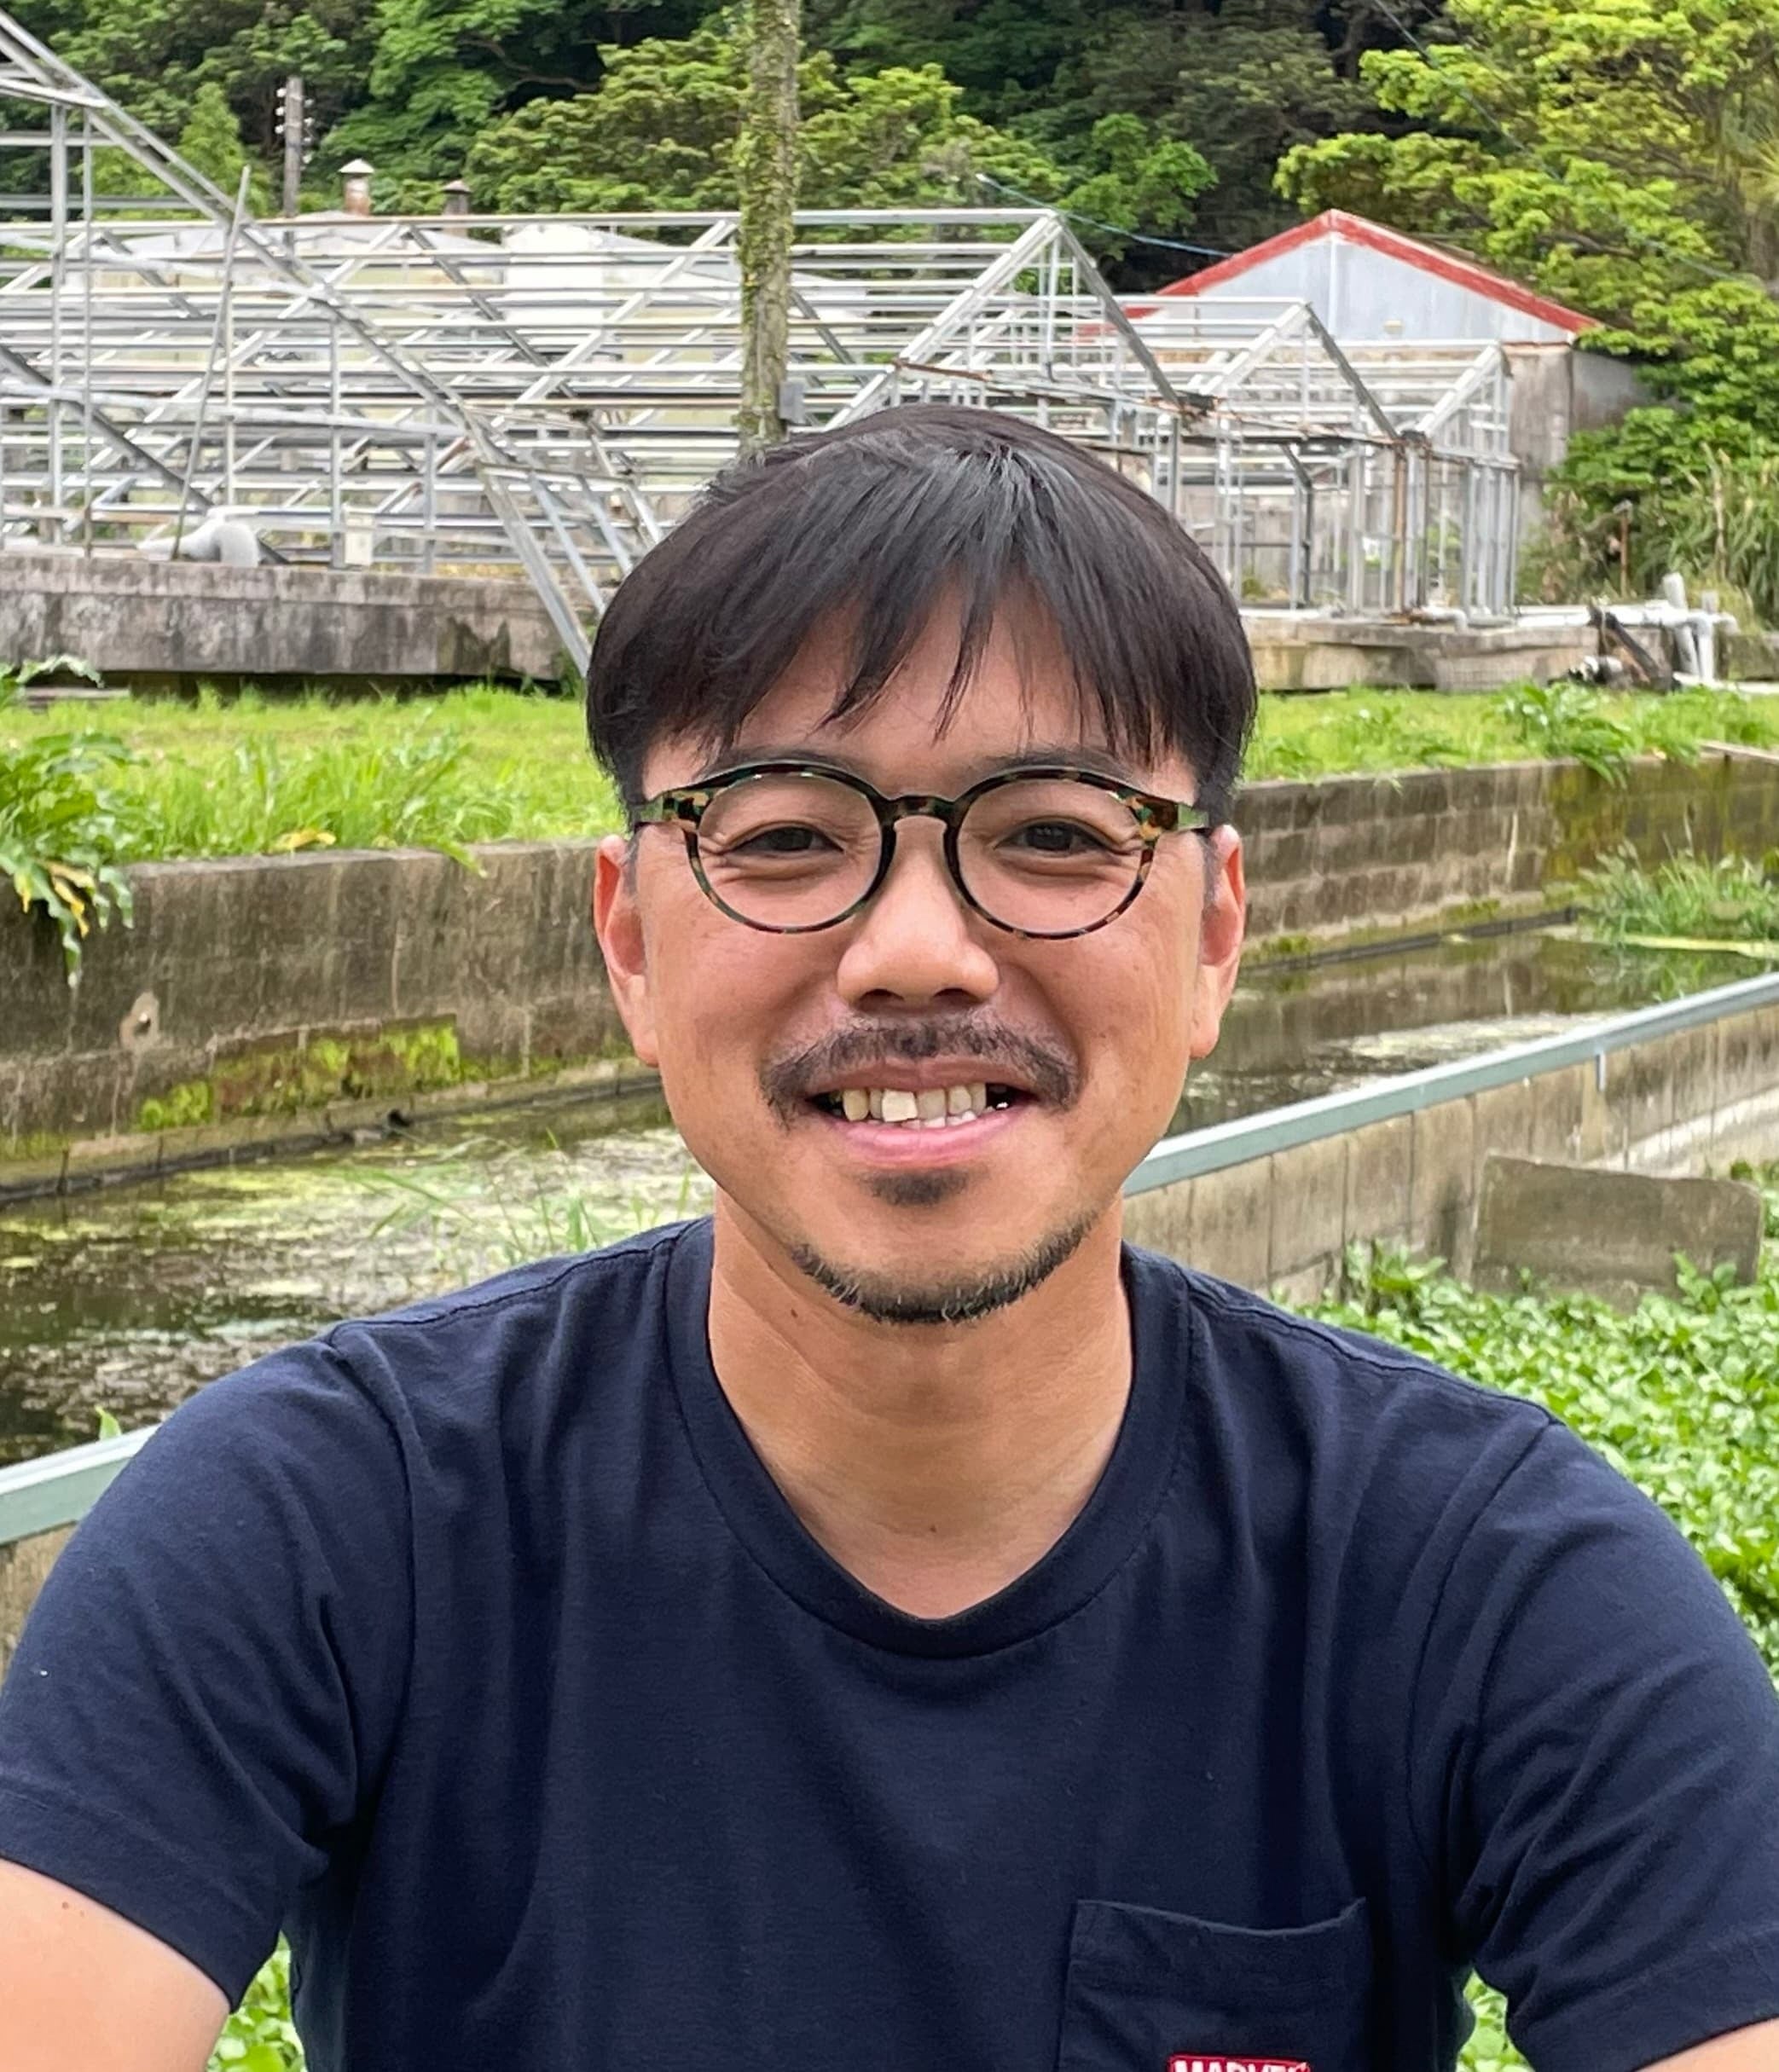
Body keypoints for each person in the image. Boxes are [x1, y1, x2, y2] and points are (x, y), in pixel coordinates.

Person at [2, 405, 1776, 2072]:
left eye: (1055, 833)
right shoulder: (325, 1520)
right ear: (628, 941)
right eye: (783, 835)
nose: (915, 951)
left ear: (1213, 936)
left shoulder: (1479, 1575)